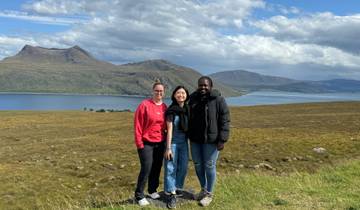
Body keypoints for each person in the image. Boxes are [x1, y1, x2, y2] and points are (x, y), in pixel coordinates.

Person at [188, 76, 230, 207]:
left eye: (205, 85)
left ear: (210, 86)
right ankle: (203, 189)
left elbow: (225, 120)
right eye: (200, 85)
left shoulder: (218, 100)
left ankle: (209, 194)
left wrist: (222, 139)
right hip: (195, 140)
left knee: (210, 165)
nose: (203, 87)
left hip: (211, 141)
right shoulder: (193, 99)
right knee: (198, 165)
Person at [133, 80, 167, 206]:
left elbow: (166, 127)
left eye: (161, 91)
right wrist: (139, 144)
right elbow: (137, 125)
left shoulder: (164, 107)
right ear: (152, 91)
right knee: (146, 168)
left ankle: (152, 190)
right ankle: (139, 195)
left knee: (157, 167)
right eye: (156, 90)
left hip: (160, 143)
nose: (159, 93)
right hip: (146, 143)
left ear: (164, 93)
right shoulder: (144, 105)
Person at [163, 86, 190, 209]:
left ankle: (177, 187)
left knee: (183, 167)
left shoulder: (187, 109)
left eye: (183, 93)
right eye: (178, 93)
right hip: (172, 143)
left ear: (186, 95)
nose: (181, 95)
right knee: (170, 168)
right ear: (174, 95)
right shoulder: (171, 111)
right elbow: (169, 130)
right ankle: (171, 193)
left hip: (184, 143)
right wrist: (168, 148)